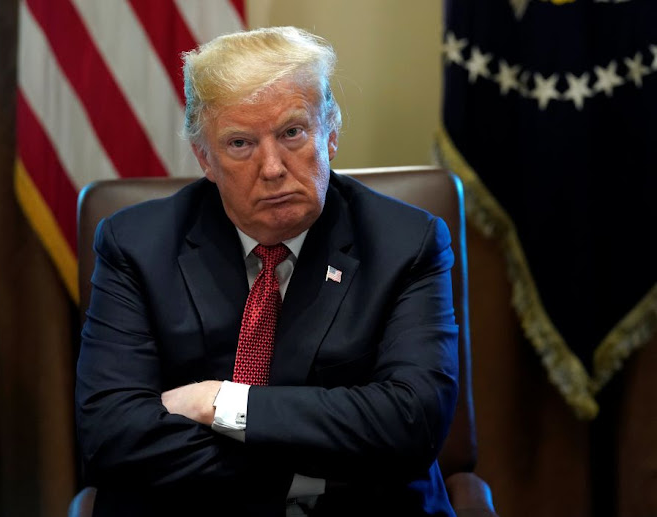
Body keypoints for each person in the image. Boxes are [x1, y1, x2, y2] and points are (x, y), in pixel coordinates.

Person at [75, 26, 459, 517]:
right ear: (204, 158)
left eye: (292, 133)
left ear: (331, 133)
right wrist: (313, 471)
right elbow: (109, 438)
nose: (273, 167)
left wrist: (219, 402)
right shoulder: (136, 245)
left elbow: (411, 423)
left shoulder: (406, 243)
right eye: (240, 143)